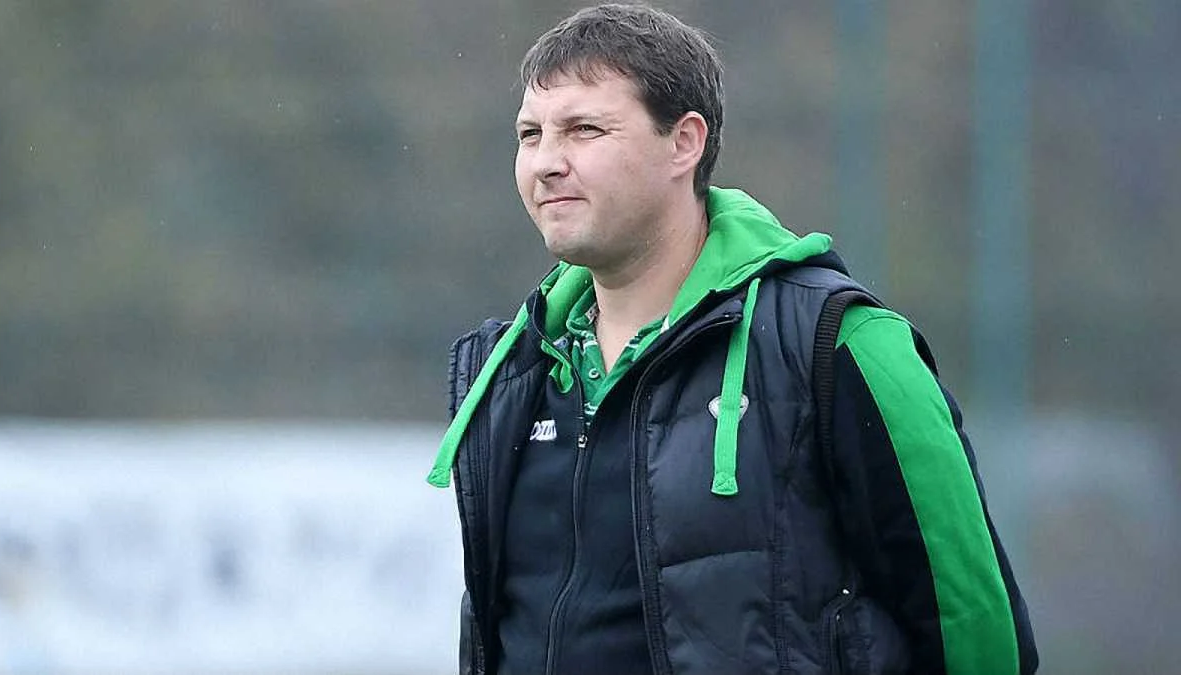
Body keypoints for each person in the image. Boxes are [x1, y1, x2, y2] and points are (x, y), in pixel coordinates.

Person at [426, 4, 1038, 674]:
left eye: (584, 130)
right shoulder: (511, 369)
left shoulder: (839, 343)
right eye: (530, 134)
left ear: (684, 142)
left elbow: (978, 639)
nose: (546, 162)